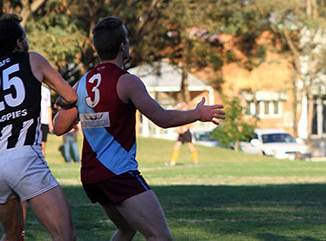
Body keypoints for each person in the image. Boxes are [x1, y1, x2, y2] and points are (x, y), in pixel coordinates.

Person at [52, 16, 225, 241]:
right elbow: (161, 118)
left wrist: (76, 108)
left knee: (126, 230)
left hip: (92, 176)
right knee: (160, 236)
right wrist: (198, 114)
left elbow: (58, 127)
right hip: (118, 173)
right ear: (123, 45)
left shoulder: (83, 82)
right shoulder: (127, 81)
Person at [0, 13, 77, 241]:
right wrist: (61, 102)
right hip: (24, 157)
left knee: (12, 235)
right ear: (18, 42)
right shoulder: (32, 59)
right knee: (65, 234)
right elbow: (70, 95)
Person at [40, 85, 52, 157]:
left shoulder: (46, 90)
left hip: (44, 120)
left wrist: (50, 124)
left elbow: (49, 107)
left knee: (43, 145)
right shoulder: (30, 88)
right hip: (34, 121)